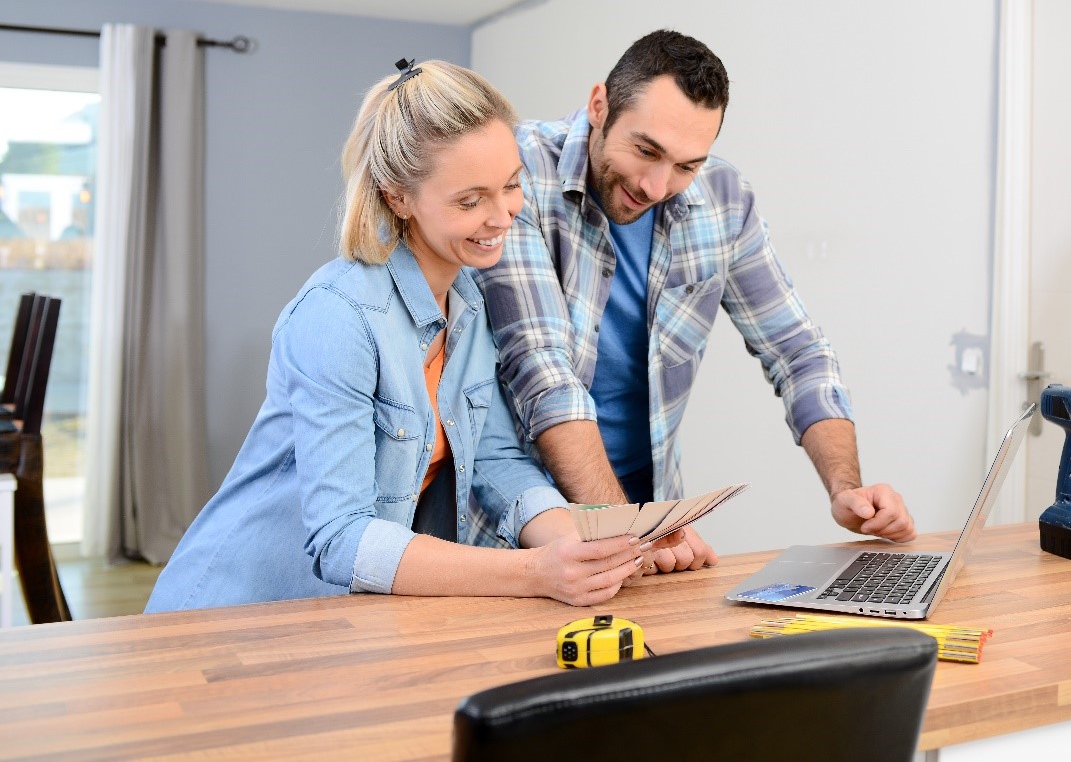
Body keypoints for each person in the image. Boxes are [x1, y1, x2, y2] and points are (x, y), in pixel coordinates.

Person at [147, 59, 664, 613]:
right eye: (470, 201)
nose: (503, 216)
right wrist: (534, 571)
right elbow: (342, 540)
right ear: (398, 197)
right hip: (228, 614)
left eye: (512, 186)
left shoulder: (470, 299)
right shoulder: (338, 317)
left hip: (336, 624)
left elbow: (497, 461)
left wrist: (587, 546)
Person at [475, 31, 916, 576]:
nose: (657, 185)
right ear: (599, 106)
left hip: (650, 524)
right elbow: (542, 372)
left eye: (686, 165)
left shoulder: (723, 198)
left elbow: (798, 351)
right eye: (645, 151)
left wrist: (847, 487)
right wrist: (629, 531)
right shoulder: (515, 173)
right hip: (519, 531)